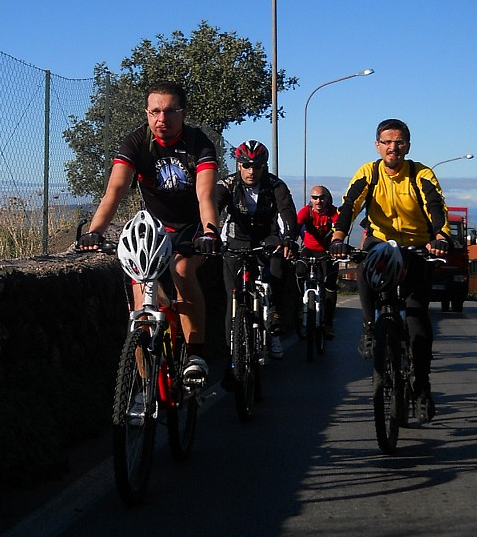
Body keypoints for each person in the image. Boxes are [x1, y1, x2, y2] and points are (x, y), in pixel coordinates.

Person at [77, 80, 220, 383]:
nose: (161, 119)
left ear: (183, 113)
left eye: (169, 111)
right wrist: (94, 232)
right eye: (154, 112)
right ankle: (144, 386)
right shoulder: (136, 142)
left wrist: (210, 233)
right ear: (146, 112)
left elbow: (206, 195)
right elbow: (114, 190)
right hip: (155, 229)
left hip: (193, 228)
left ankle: (195, 354)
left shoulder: (199, 143)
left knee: (182, 270)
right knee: (143, 306)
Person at [329, 119, 451, 424]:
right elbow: (349, 205)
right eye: (386, 142)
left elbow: (436, 207)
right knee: (365, 263)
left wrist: (441, 237)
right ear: (377, 145)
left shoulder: (421, 173)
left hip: (416, 248)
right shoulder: (368, 172)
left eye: (398, 142)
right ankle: (370, 327)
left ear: (407, 146)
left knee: (417, 320)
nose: (392, 147)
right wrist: (337, 239)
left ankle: (421, 388)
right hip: (381, 243)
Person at [216, 139, 297, 379]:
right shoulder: (227, 184)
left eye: (258, 166)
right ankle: (233, 355)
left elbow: (287, 212)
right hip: (235, 241)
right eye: (246, 165)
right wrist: (206, 232)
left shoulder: (275, 185)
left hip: (267, 238)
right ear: (238, 164)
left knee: (278, 264)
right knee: (233, 300)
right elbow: (213, 205)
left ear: (265, 166)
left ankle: (273, 319)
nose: (252, 171)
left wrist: (290, 238)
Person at [296, 185, 339, 338]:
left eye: (321, 197)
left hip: (326, 251)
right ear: (310, 199)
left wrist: (338, 245)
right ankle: (301, 307)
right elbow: (296, 227)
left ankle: (328, 324)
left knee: (330, 283)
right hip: (309, 248)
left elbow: (339, 227)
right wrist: (289, 243)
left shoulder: (333, 212)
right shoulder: (305, 212)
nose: (318, 201)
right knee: (299, 271)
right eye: (314, 197)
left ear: (327, 199)